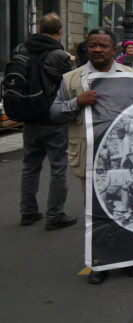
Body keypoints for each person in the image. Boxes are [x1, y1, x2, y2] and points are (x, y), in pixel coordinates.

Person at [50, 28, 133, 284]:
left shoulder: (132, 77)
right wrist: (76, 102)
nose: (97, 50)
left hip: (125, 158)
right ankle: (100, 261)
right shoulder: (71, 79)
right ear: (86, 48)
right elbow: (54, 113)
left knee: (128, 207)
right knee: (97, 210)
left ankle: (131, 258)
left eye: (103, 45)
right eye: (93, 45)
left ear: (115, 50)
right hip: (90, 157)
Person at [15, 13, 76, 230]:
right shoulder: (60, 55)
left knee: (30, 166)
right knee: (58, 167)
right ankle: (55, 215)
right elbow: (69, 87)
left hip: (30, 117)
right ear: (60, 31)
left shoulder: (22, 49)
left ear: (40, 29)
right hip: (53, 119)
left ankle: (28, 212)